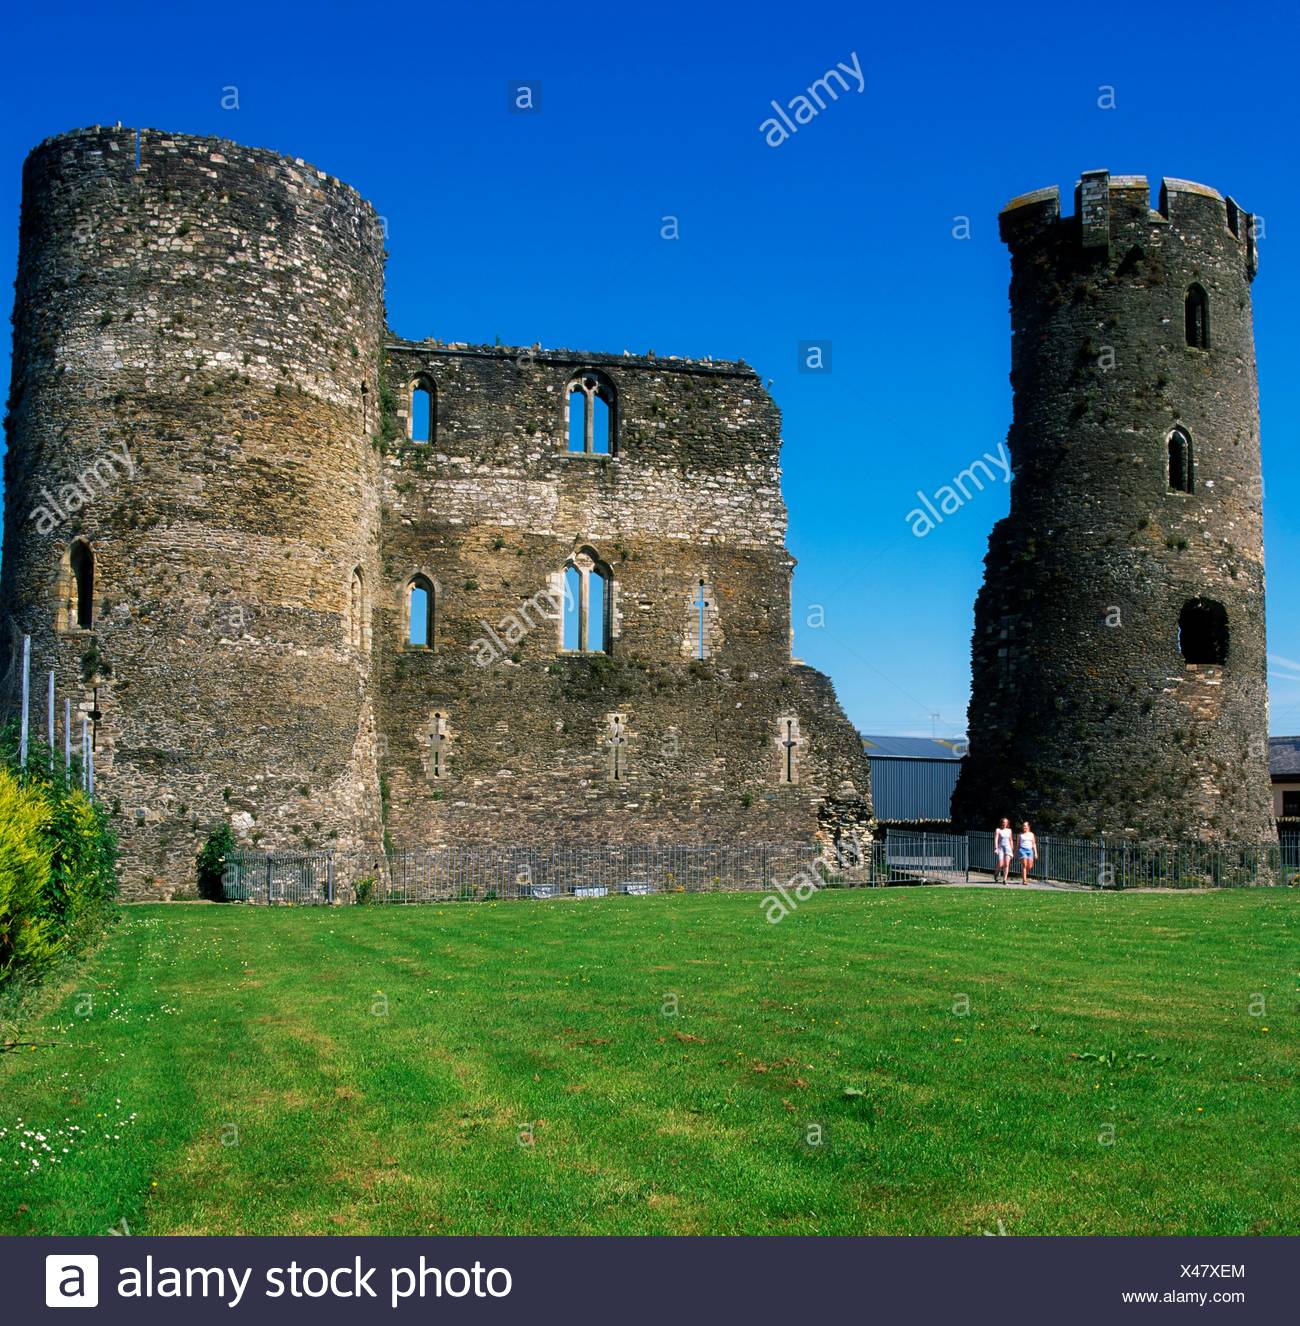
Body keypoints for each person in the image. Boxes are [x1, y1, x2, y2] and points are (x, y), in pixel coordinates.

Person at [993, 818, 1014, 883]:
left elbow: (1010, 840)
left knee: (1007, 864)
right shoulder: (998, 830)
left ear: (1007, 823)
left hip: (1008, 848)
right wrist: (996, 848)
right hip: (1000, 848)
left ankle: (1004, 879)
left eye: (1005, 822)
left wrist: (1012, 848)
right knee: (1001, 864)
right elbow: (996, 839)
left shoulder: (1009, 830)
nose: (1004, 823)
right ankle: (996, 874)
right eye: (1003, 822)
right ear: (1001, 823)